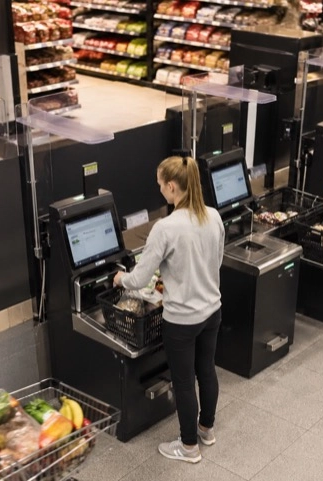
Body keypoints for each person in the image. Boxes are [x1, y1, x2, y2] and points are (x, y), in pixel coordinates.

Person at [114, 155, 225, 464]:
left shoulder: (166, 228)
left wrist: (120, 278)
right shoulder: (214, 217)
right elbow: (214, 262)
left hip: (182, 321)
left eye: (160, 184)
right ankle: (206, 429)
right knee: (207, 370)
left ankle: (189, 447)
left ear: (173, 186)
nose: (159, 189)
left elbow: (138, 279)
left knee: (184, 382)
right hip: (212, 311)